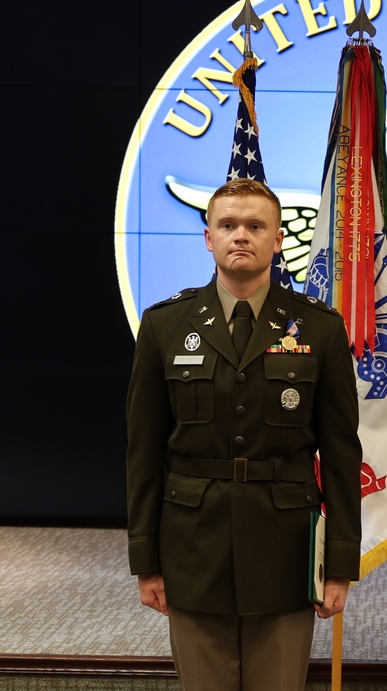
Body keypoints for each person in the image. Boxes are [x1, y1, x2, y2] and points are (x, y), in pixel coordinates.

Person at [125, 178, 362, 691]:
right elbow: (143, 454)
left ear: (278, 239)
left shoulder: (319, 328)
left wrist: (339, 564)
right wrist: (145, 561)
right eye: (228, 225)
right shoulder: (164, 326)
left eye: (256, 226)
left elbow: (342, 455)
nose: (241, 236)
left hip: (285, 551)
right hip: (193, 550)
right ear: (207, 237)